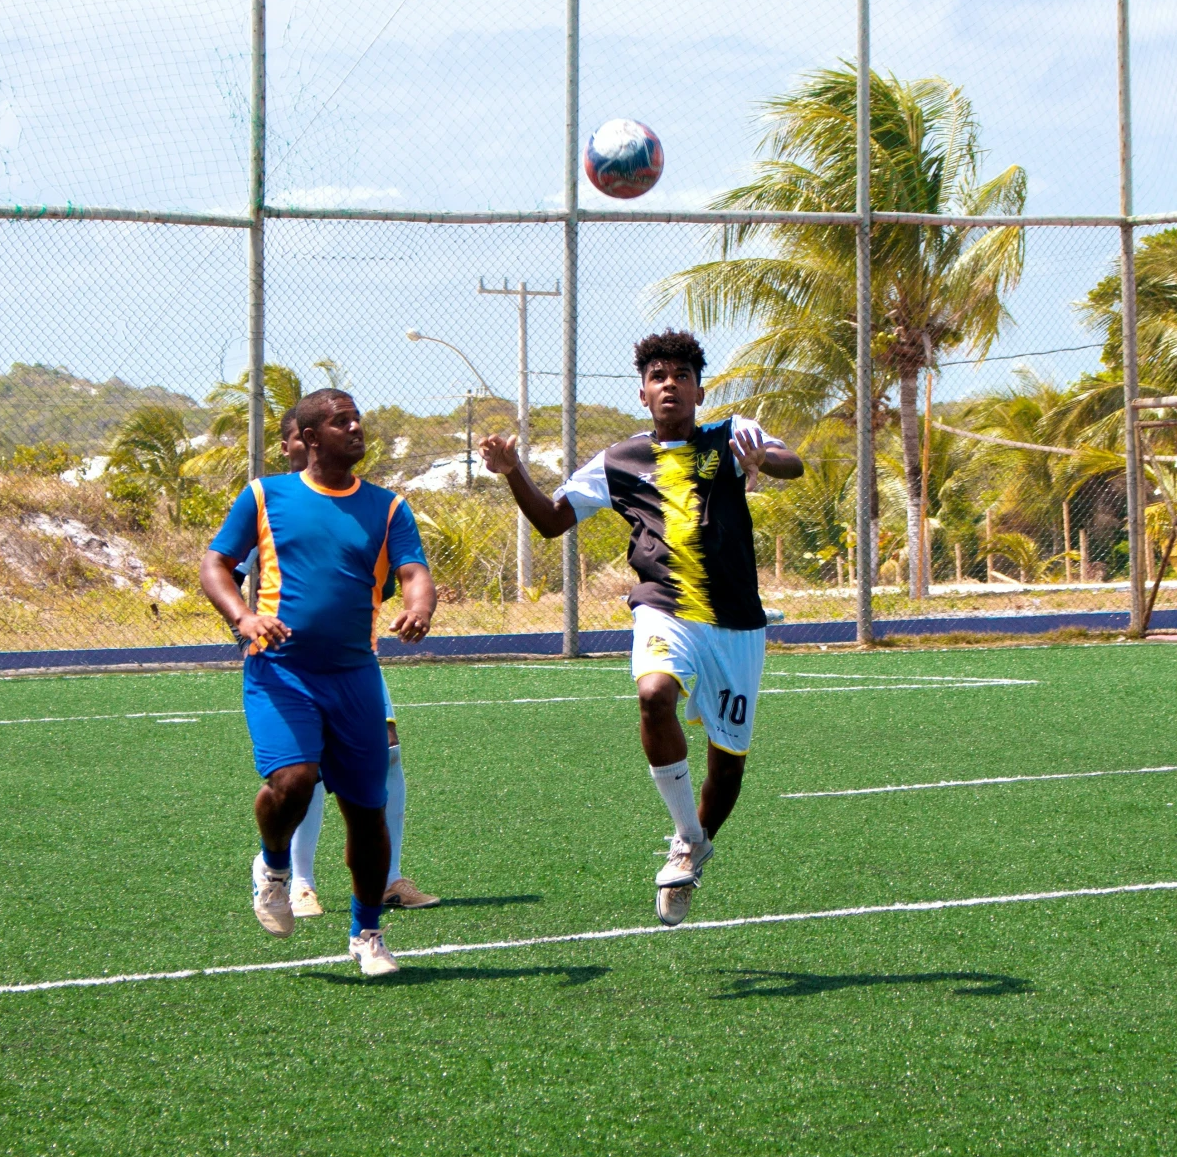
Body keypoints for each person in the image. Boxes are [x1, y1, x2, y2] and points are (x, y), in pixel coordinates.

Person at [481, 329, 802, 925]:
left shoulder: (731, 434)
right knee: (654, 695)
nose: (670, 385)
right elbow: (552, 521)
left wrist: (762, 460)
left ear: (699, 390)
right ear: (643, 394)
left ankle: (696, 848)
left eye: (681, 375)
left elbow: (792, 463)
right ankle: (687, 838)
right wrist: (513, 471)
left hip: (735, 623)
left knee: (727, 762)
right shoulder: (618, 461)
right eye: (659, 377)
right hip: (663, 606)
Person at [198, 389, 435, 978]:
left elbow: (414, 572)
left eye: (357, 418)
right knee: (294, 779)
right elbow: (216, 564)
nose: (355, 427)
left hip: (356, 675)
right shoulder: (264, 495)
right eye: (339, 421)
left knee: (366, 811)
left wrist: (420, 606)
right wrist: (243, 618)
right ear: (306, 437)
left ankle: (367, 934)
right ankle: (274, 869)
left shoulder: (387, 507)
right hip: (281, 669)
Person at [267, 412, 439, 919]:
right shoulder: (272, 503)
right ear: (295, 444)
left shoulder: (370, 506)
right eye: (302, 436)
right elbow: (231, 574)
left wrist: (414, 604)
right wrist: (248, 627)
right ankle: (298, 882)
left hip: (354, 662)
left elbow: (403, 571)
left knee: (387, 754)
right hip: (290, 665)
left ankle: (387, 879)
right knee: (306, 769)